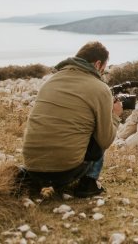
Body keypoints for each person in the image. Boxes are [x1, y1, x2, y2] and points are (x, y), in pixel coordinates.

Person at [20, 41, 122, 197]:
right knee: (98, 131)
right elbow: (105, 140)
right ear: (98, 64)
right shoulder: (100, 88)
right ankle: (88, 183)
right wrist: (115, 115)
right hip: (66, 172)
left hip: (33, 168)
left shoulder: (50, 81)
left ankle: (32, 180)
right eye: (104, 69)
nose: (102, 73)